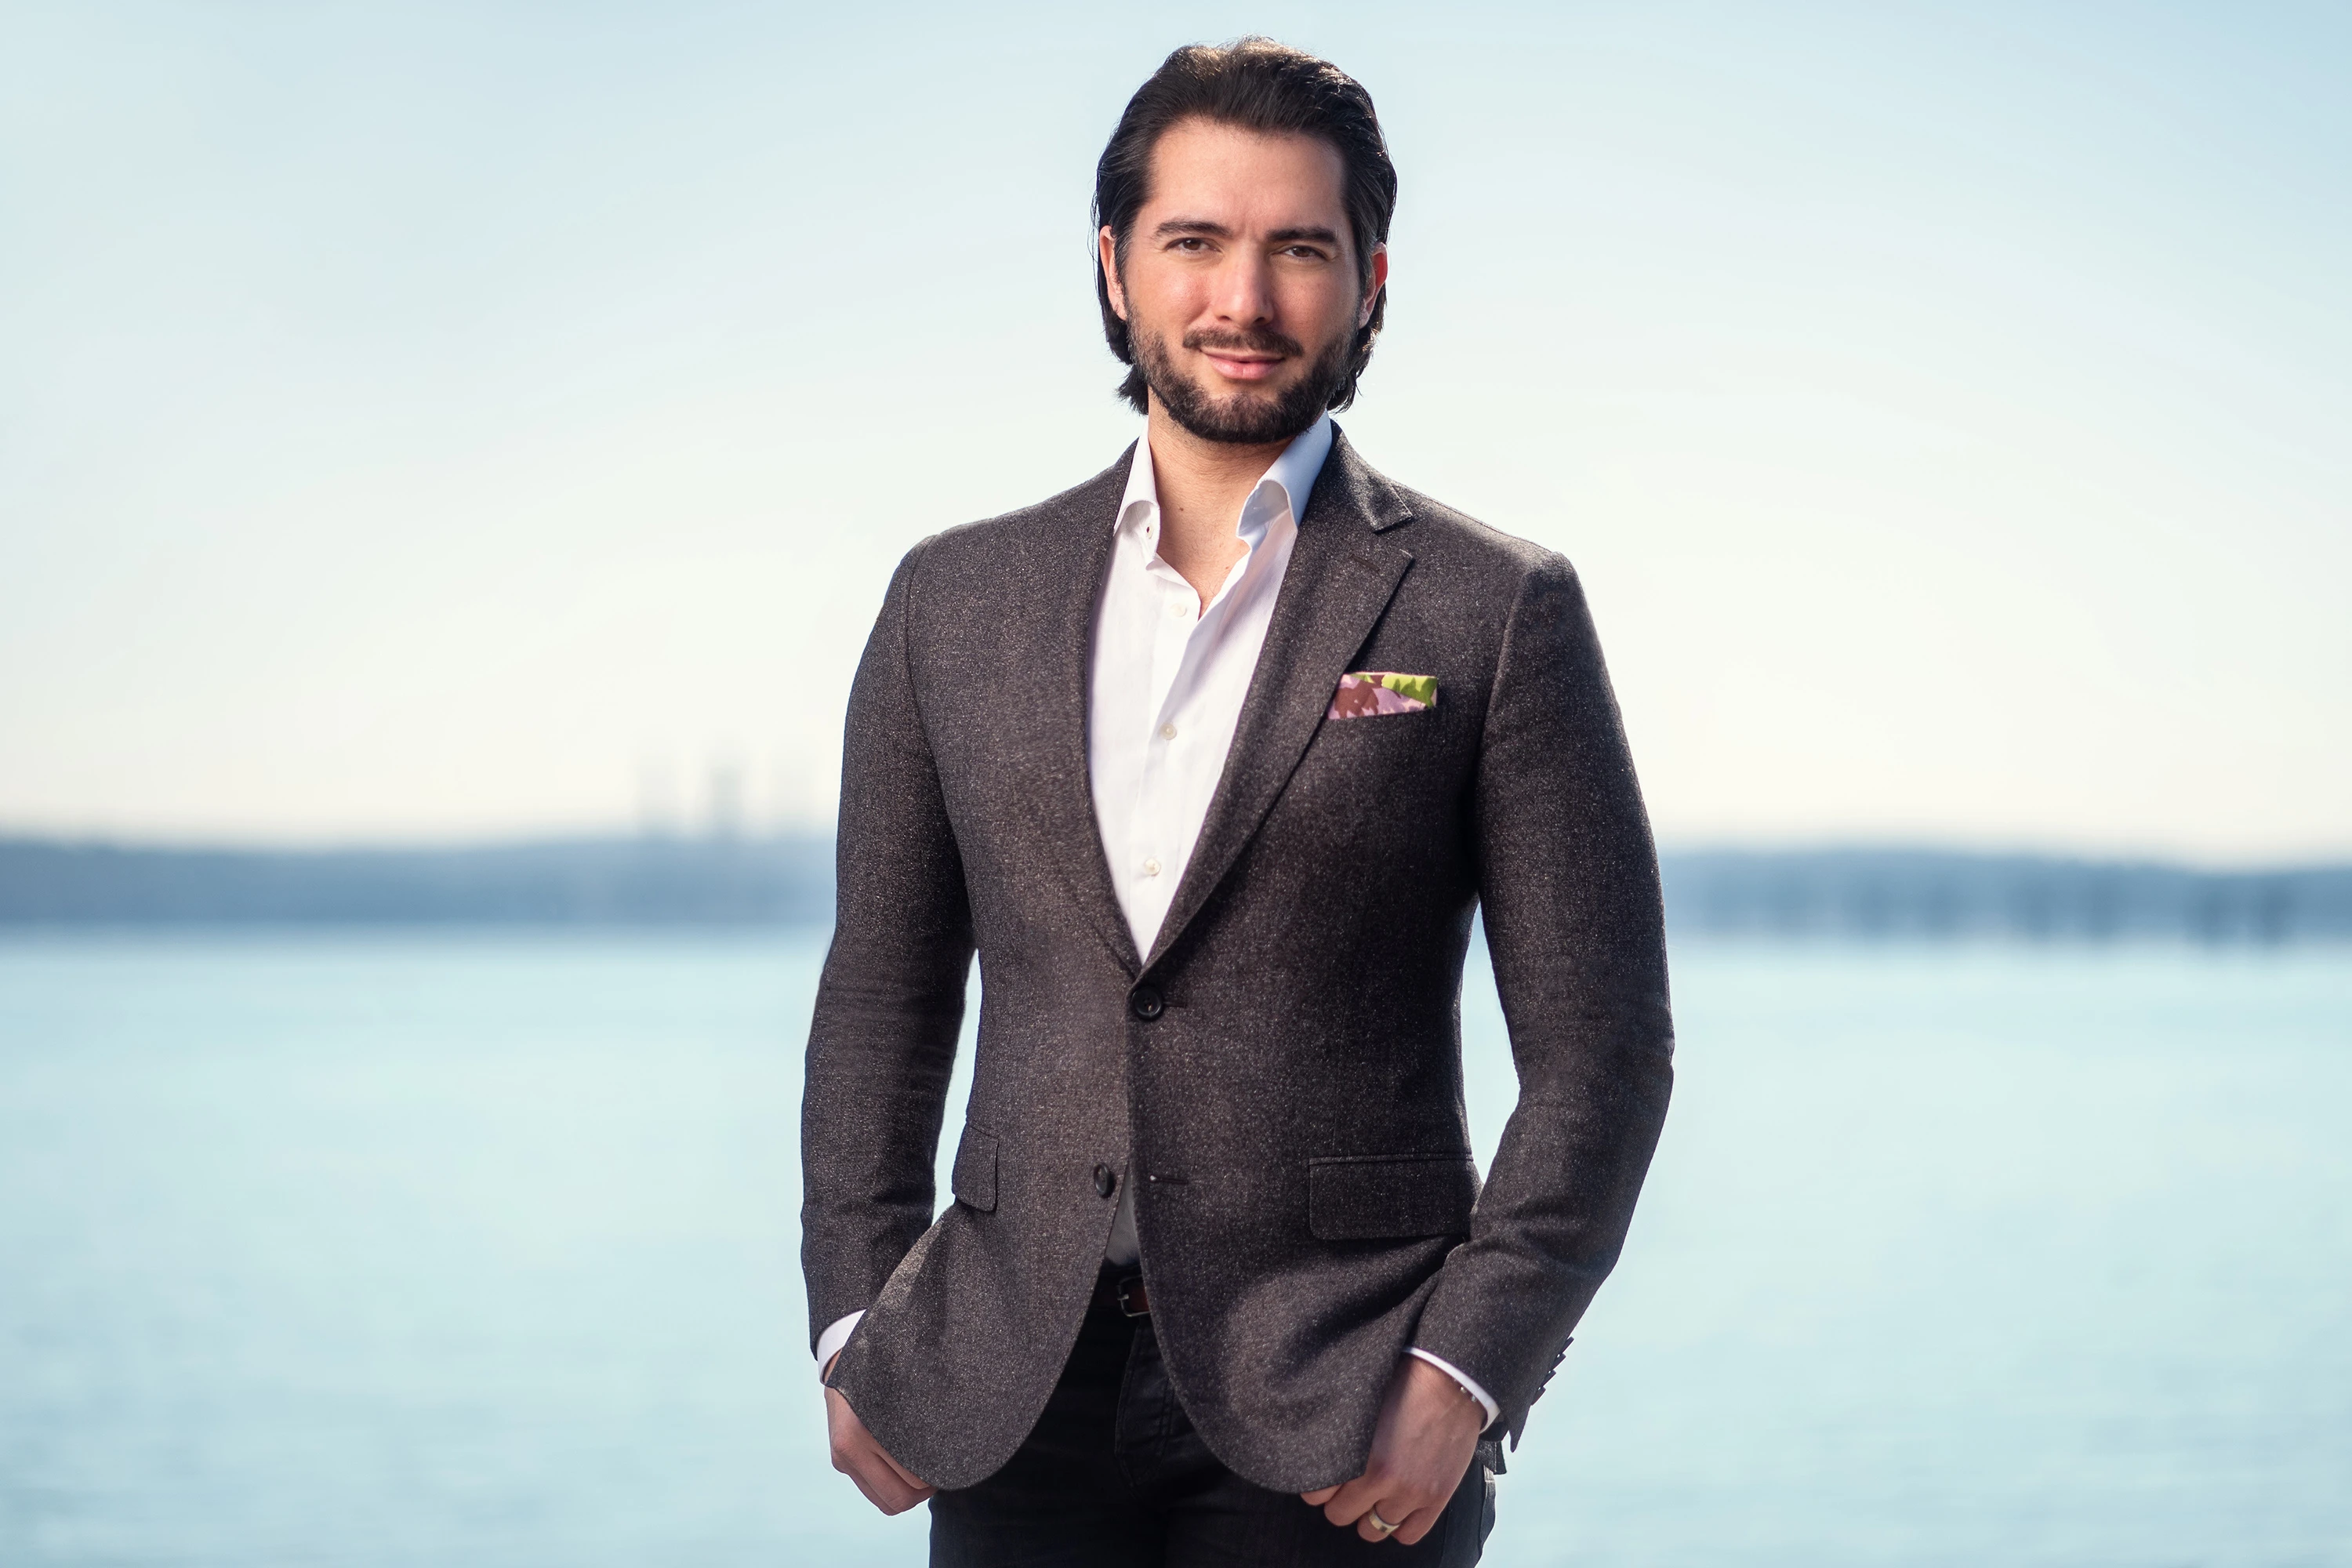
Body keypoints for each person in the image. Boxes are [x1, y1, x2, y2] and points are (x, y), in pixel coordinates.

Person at [800, 37, 1673, 1566]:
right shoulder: (953, 601)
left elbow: (1604, 1055)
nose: (1244, 302)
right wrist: (857, 1322)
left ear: (1374, 278)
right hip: (1009, 1390)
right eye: (1195, 242)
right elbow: (881, 999)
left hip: (1343, 1405)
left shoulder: (1494, 610)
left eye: (1299, 250)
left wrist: (1467, 1375)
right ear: (1115, 268)